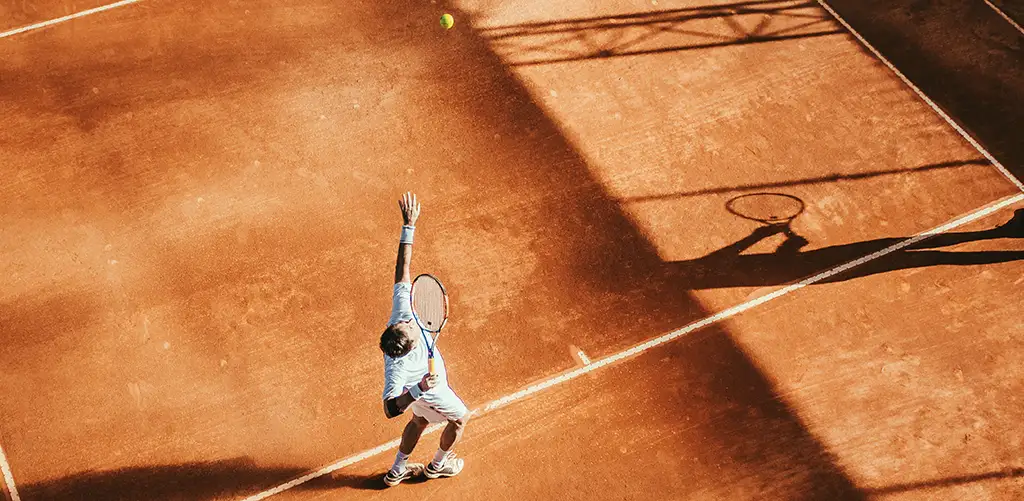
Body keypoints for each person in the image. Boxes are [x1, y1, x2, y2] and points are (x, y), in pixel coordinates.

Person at [380, 192, 469, 487]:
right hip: (431, 391)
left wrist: (409, 225)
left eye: (404, 322)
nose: (410, 321)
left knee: (419, 421)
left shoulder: (400, 315)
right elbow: (391, 408)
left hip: (420, 393)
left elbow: (401, 271)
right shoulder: (398, 368)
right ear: (409, 347)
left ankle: (397, 471)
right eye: (409, 328)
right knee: (460, 419)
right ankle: (437, 466)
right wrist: (419, 389)